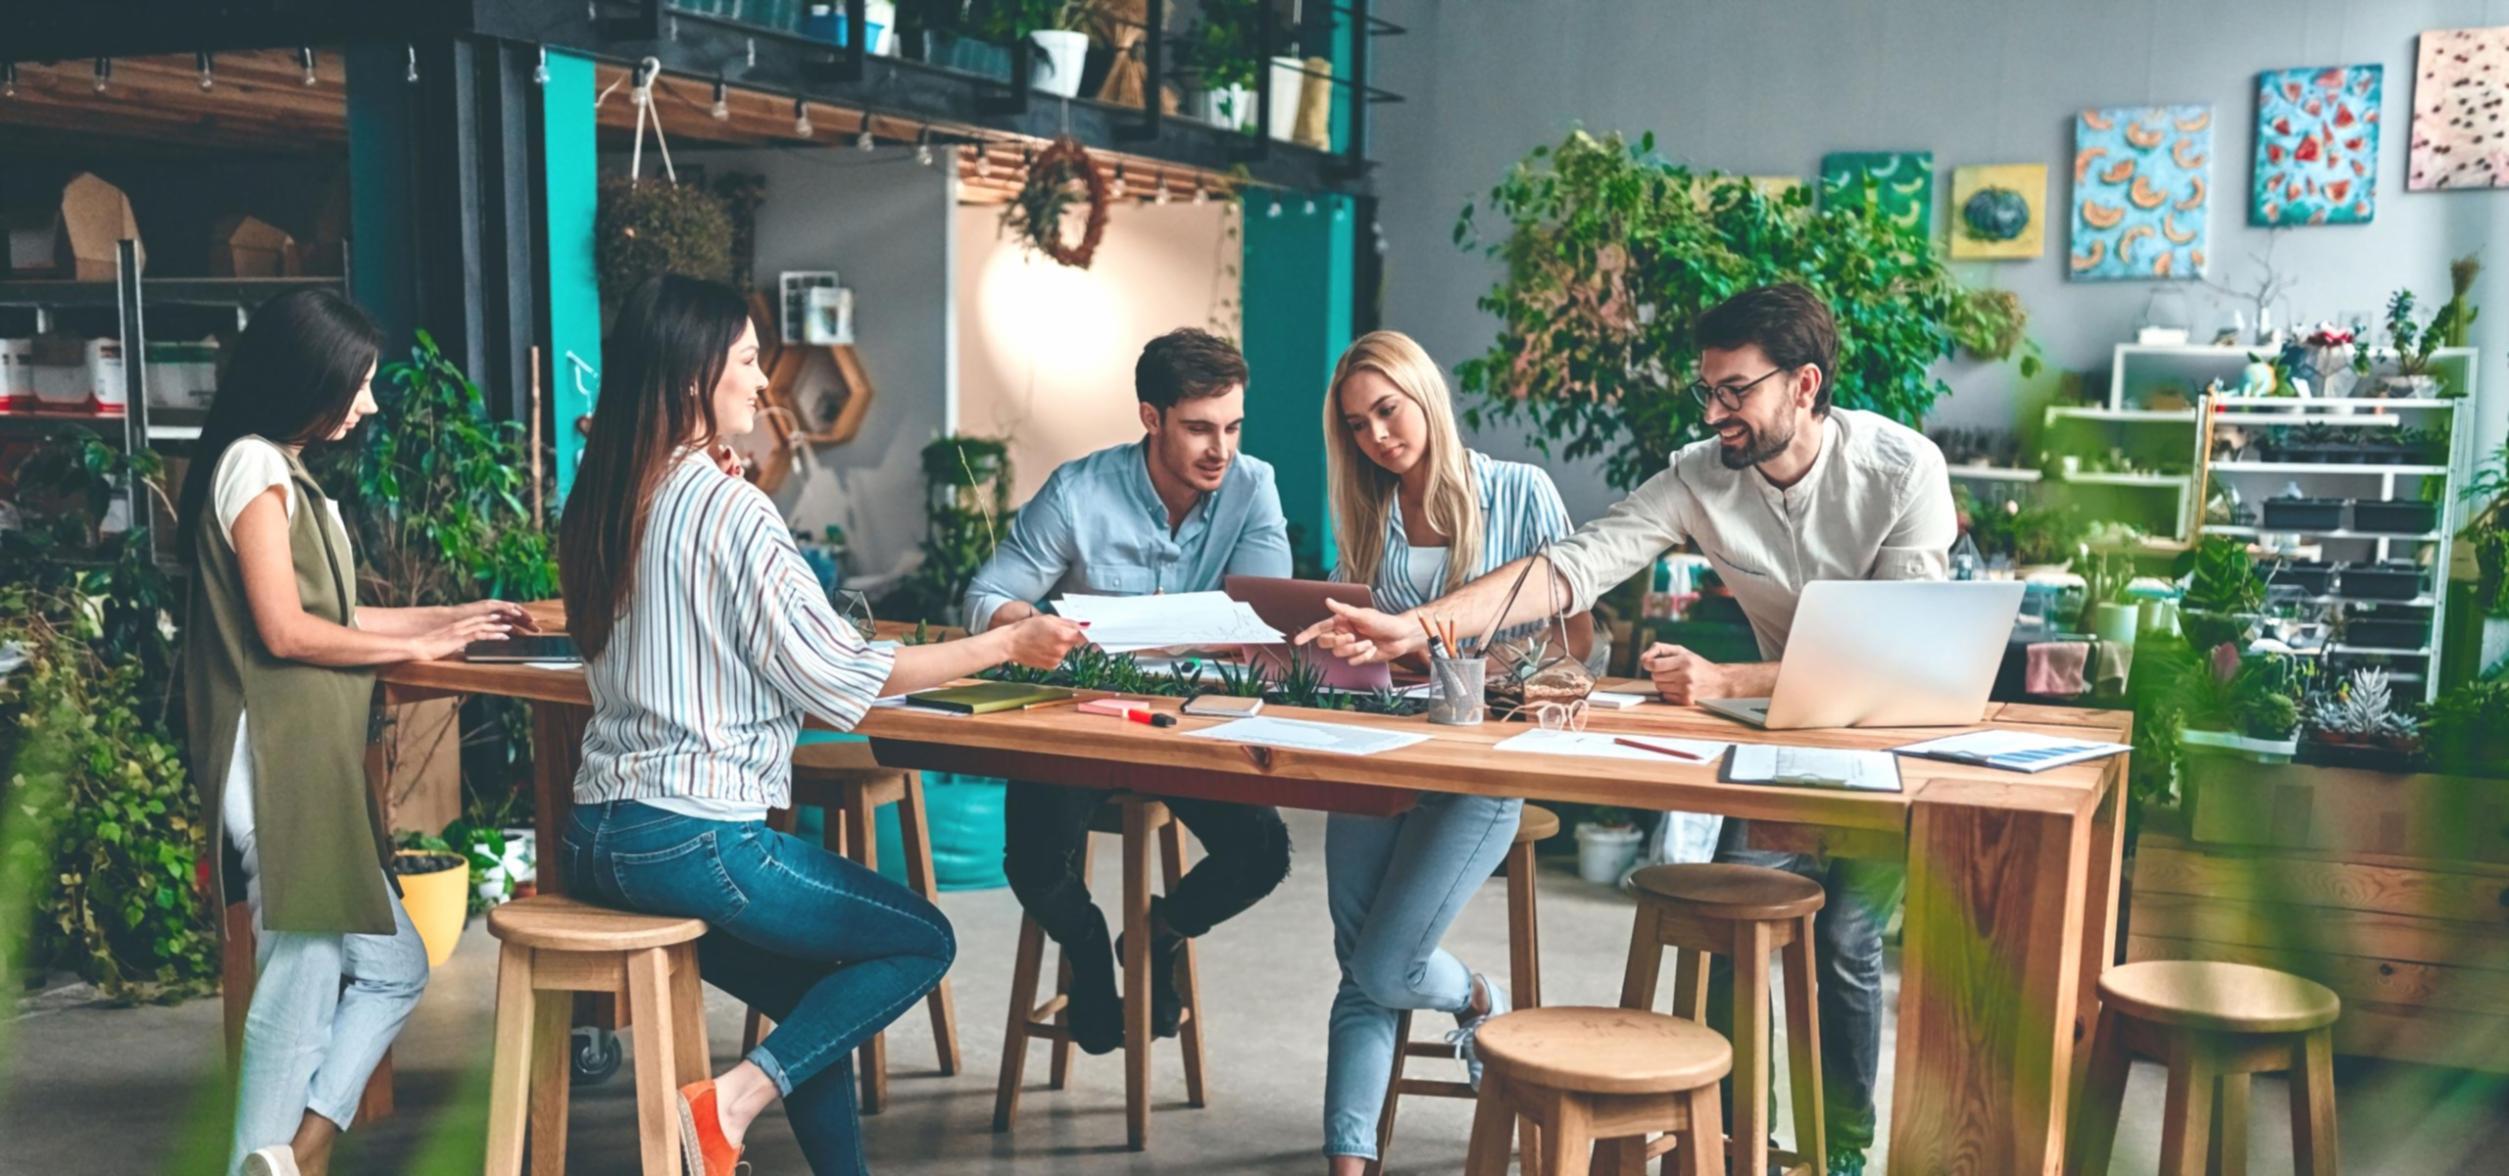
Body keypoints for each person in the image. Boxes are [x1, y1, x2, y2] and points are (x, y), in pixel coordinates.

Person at [1298, 283, 1955, 1176]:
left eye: (1736, 391)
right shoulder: (1699, 474)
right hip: (1779, 741)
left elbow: (1901, 650)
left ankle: (1840, 1151)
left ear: (1803, 386)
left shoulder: (1901, 467)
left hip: (1885, 738)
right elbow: (1570, 567)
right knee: (1735, 933)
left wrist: (1731, 679)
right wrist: (1420, 627)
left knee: (1843, 941)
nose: (1716, 409)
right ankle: (1730, 1146)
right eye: (1707, 390)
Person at [556, 274, 1086, 1176]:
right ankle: (726, 1106)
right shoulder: (729, 508)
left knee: (814, 1004)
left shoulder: (607, 497)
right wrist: (1006, 646)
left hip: (599, 838)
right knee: (922, 938)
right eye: (747, 362)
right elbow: (842, 681)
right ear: (694, 380)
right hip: (698, 839)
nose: (762, 382)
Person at [178, 291, 533, 1176]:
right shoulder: (253, 468)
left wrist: (453, 616)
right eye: (360, 385)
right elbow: (285, 632)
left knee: (394, 965)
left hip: (309, 762)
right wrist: (432, 638)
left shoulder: (285, 474)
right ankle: (255, 1162)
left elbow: (337, 614)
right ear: (308, 379)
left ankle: (295, 1151)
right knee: (296, 982)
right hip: (277, 761)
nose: (369, 405)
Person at [962, 327, 1294, 1054]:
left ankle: (1155, 934)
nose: (1221, 448)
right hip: (1085, 717)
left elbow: (1262, 619)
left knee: (1263, 852)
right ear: (1151, 418)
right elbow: (986, 595)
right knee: (1033, 863)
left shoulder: (1253, 486)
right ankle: (1087, 954)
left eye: (1232, 426)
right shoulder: (1079, 491)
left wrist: (1147, 629)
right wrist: (1030, 626)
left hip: (1192, 726)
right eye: (1199, 428)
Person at [1313, 331, 1587, 1173]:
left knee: (1387, 964)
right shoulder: (1368, 513)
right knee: (1359, 963)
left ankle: (1479, 999)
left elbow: (1574, 648)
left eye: (1387, 410)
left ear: (1423, 392)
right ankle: (1348, 1161)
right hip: (1381, 756)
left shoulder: (1518, 490)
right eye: (1357, 426)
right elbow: (1369, 649)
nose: (1377, 437)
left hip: (1482, 761)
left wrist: (1458, 655)